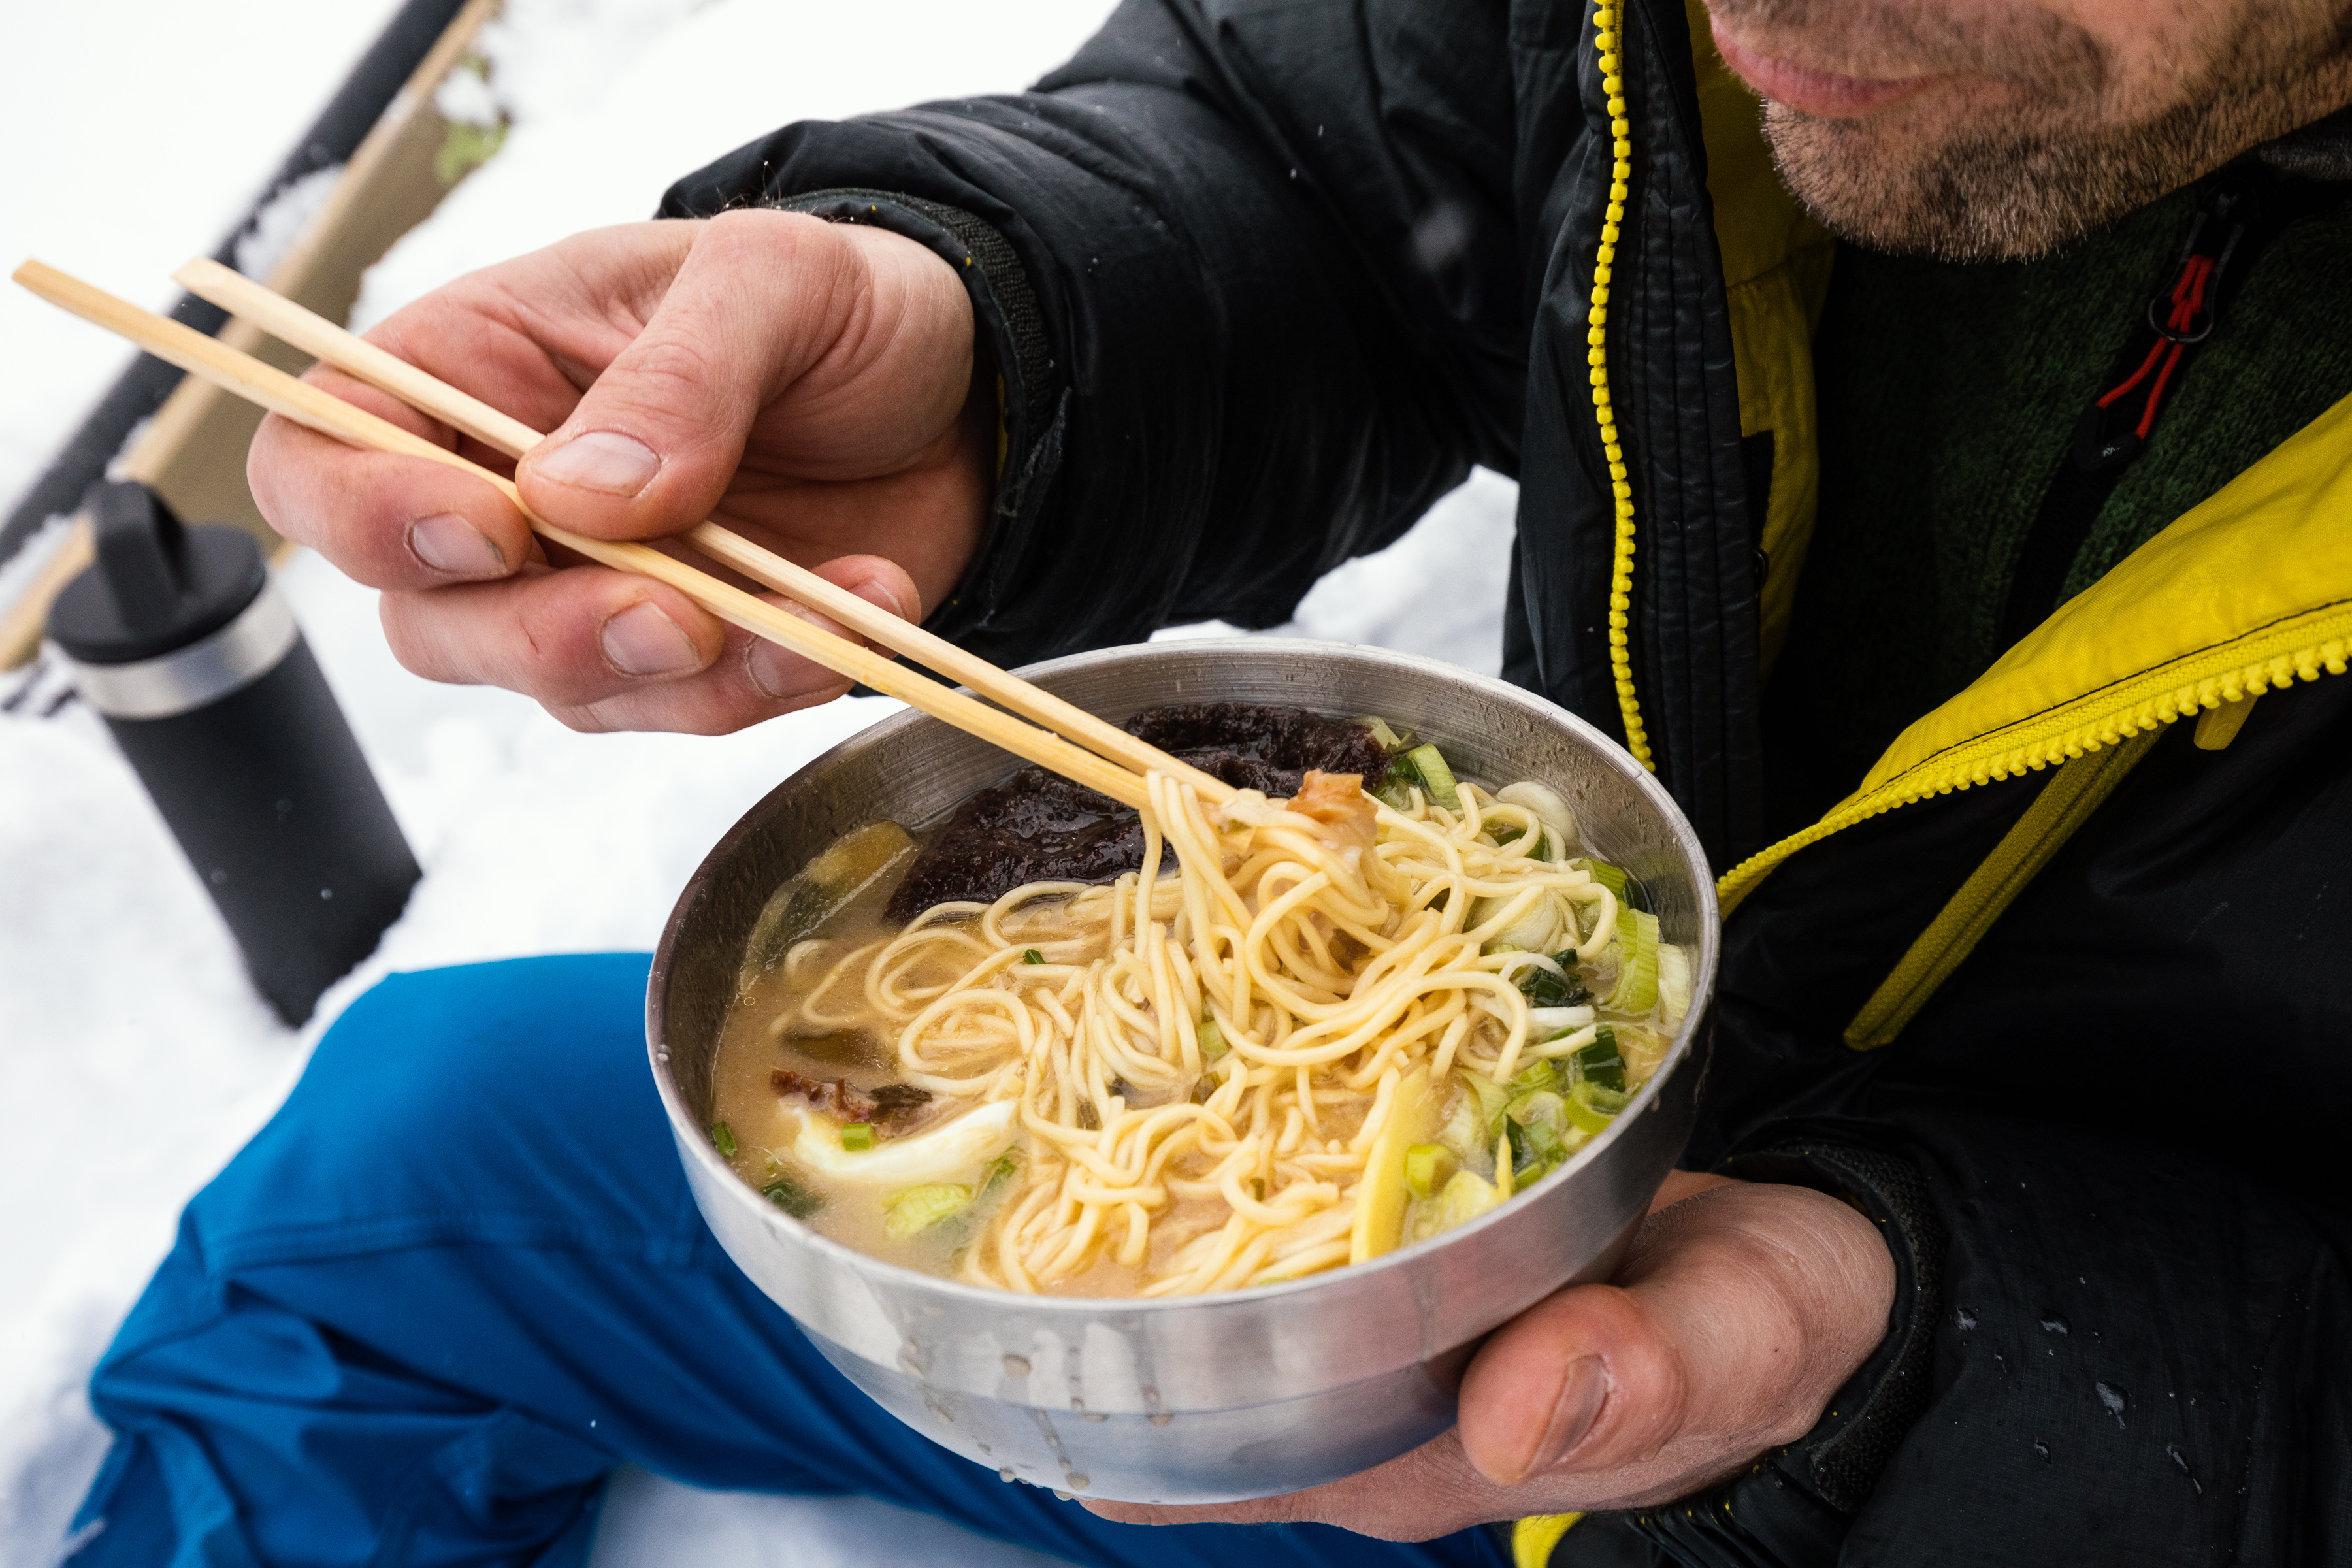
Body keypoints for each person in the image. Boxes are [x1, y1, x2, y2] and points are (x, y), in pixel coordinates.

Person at [63, 0, 2352, 1563]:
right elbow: (1389, 158)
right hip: (1337, 1317)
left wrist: (1923, 1371)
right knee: (396, 1174)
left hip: (2057, 1475)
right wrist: (1003, 330)